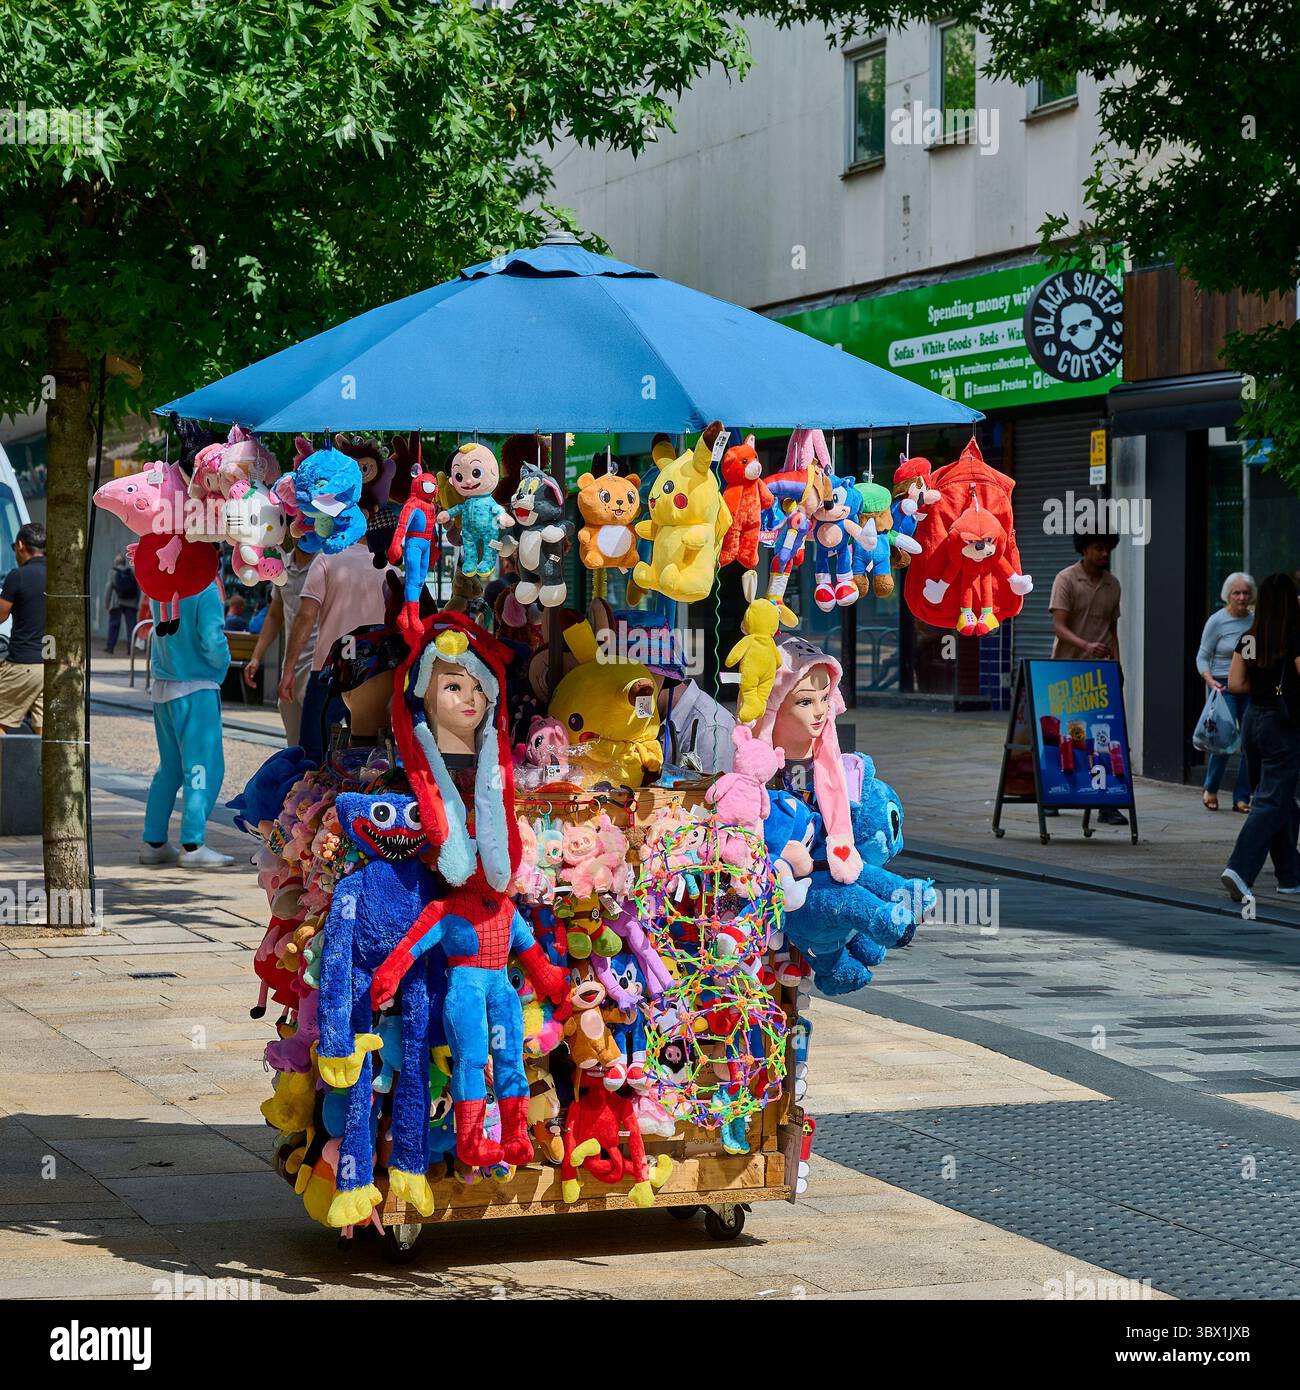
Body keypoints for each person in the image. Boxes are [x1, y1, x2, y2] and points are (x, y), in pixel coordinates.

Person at [140, 579, 234, 869]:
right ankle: (193, 844)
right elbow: (212, 637)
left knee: (169, 768)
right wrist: (221, 667)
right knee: (203, 767)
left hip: (164, 685)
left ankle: (153, 841)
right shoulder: (203, 586)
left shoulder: (161, 584)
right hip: (197, 685)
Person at [1221, 572, 1300, 903]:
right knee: (1270, 799)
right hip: (1282, 725)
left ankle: (1289, 875)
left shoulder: (1249, 637)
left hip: (1253, 720)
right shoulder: (1294, 637)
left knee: (1279, 798)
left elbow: (1236, 684)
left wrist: (1264, 686)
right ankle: (1239, 870)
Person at [280, 539, 388, 762]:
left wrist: (289, 668)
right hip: (374, 671)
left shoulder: (326, 560)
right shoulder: (389, 569)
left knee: (314, 749)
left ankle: (315, 794)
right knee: (370, 752)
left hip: (329, 668)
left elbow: (306, 615)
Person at [1048, 530, 1127, 825]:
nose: (1104, 554)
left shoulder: (1113, 585)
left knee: (1102, 736)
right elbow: (1059, 626)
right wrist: (1086, 646)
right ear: (1084, 550)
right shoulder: (1066, 579)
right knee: (1065, 736)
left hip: (1102, 673)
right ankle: (1054, 795)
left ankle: (1106, 802)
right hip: (1067, 669)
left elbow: (1112, 630)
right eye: (1098, 548)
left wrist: (1117, 666)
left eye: (1107, 548)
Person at [1196, 572, 1255, 812]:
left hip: (1249, 686)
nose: (1241, 597)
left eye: (1246, 593)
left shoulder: (1254, 620)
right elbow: (1202, 657)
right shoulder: (1217, 621)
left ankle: (1242, 797)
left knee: (1251, 743)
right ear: (1227, 595)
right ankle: (1210, 789)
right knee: (1223, 741)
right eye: (1236, 593)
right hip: (1223, 686)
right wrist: (1210, 681)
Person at [0, 522, 47, 734]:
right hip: (51, 664)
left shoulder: (17, 576)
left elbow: (0, 616)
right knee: (44, 728)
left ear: (20, 545)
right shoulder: (59, 576)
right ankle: (45, 768)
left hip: (23, 663)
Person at [103, 552, 139, 656]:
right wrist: (136, 603)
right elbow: (137, 590)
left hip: (117, 603)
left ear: (116, 562)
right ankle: (130, 649)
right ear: (124, 562)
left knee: (114, 625)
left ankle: (110, 648)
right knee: (131, 627)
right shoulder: (131, 572)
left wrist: (107, 603)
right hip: (131, 603)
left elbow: (108, 588)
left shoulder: (112, 572)